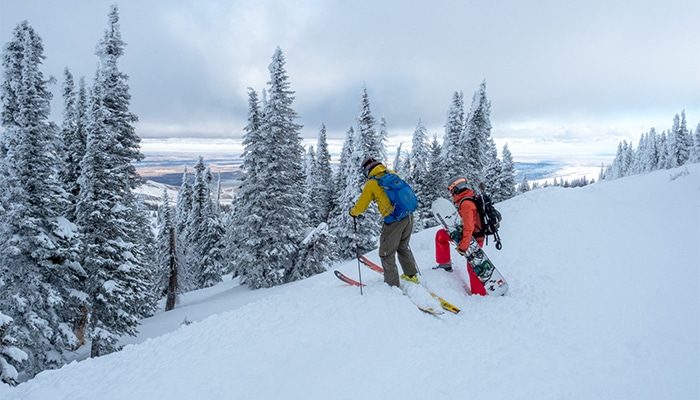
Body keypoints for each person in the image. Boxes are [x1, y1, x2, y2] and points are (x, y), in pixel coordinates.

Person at [349, 157, 419, 288]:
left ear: (367, 171)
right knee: (403, 247)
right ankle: (411, 275)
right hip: (408, 216)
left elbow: (362, 205)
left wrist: (353, 213)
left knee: (386, 253)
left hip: (393, 221)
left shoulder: (372, 183)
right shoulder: (392, 174)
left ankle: (392, 285)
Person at [434, 177, 487, 296]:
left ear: (456, 189)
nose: (450, 193)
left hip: (473, 239)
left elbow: (469, 227)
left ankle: (479, 294)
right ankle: (444, 264)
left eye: (450, 190)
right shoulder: (466, 199)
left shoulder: (466, 204)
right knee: (441, 235)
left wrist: (463, 246)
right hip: (471, 237)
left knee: (473, 267)